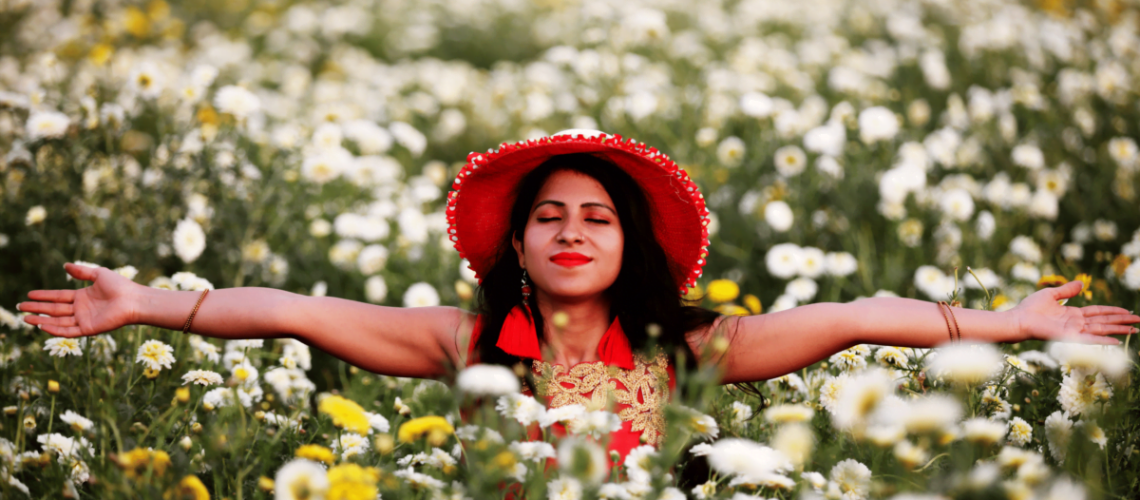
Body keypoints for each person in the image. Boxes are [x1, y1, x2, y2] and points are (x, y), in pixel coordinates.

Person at [16, 129, 1139, 466]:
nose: (569, 229)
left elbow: (856, 316)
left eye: (596, 217)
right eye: (549, 214)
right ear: (521, 237)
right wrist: (148, 302)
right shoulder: (468, 340)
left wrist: (1016, 325)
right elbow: (294, 308)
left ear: (627, 247)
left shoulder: (686, 348)